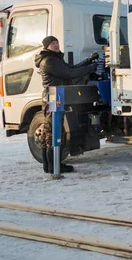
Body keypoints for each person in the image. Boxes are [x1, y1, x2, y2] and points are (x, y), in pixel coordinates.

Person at [34, 36, 99, 174]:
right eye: (53, 43)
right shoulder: (49, 61)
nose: (56, 45)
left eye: (57, 42)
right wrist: (90, 68)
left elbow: (70, 68)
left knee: (50, 131)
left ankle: (49, 166)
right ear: (46, 46)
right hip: (53, 98)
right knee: (53, 131)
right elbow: (70, 74)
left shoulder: (55, 59)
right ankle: (54, 166)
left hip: (56, 96)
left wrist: (88, 61)